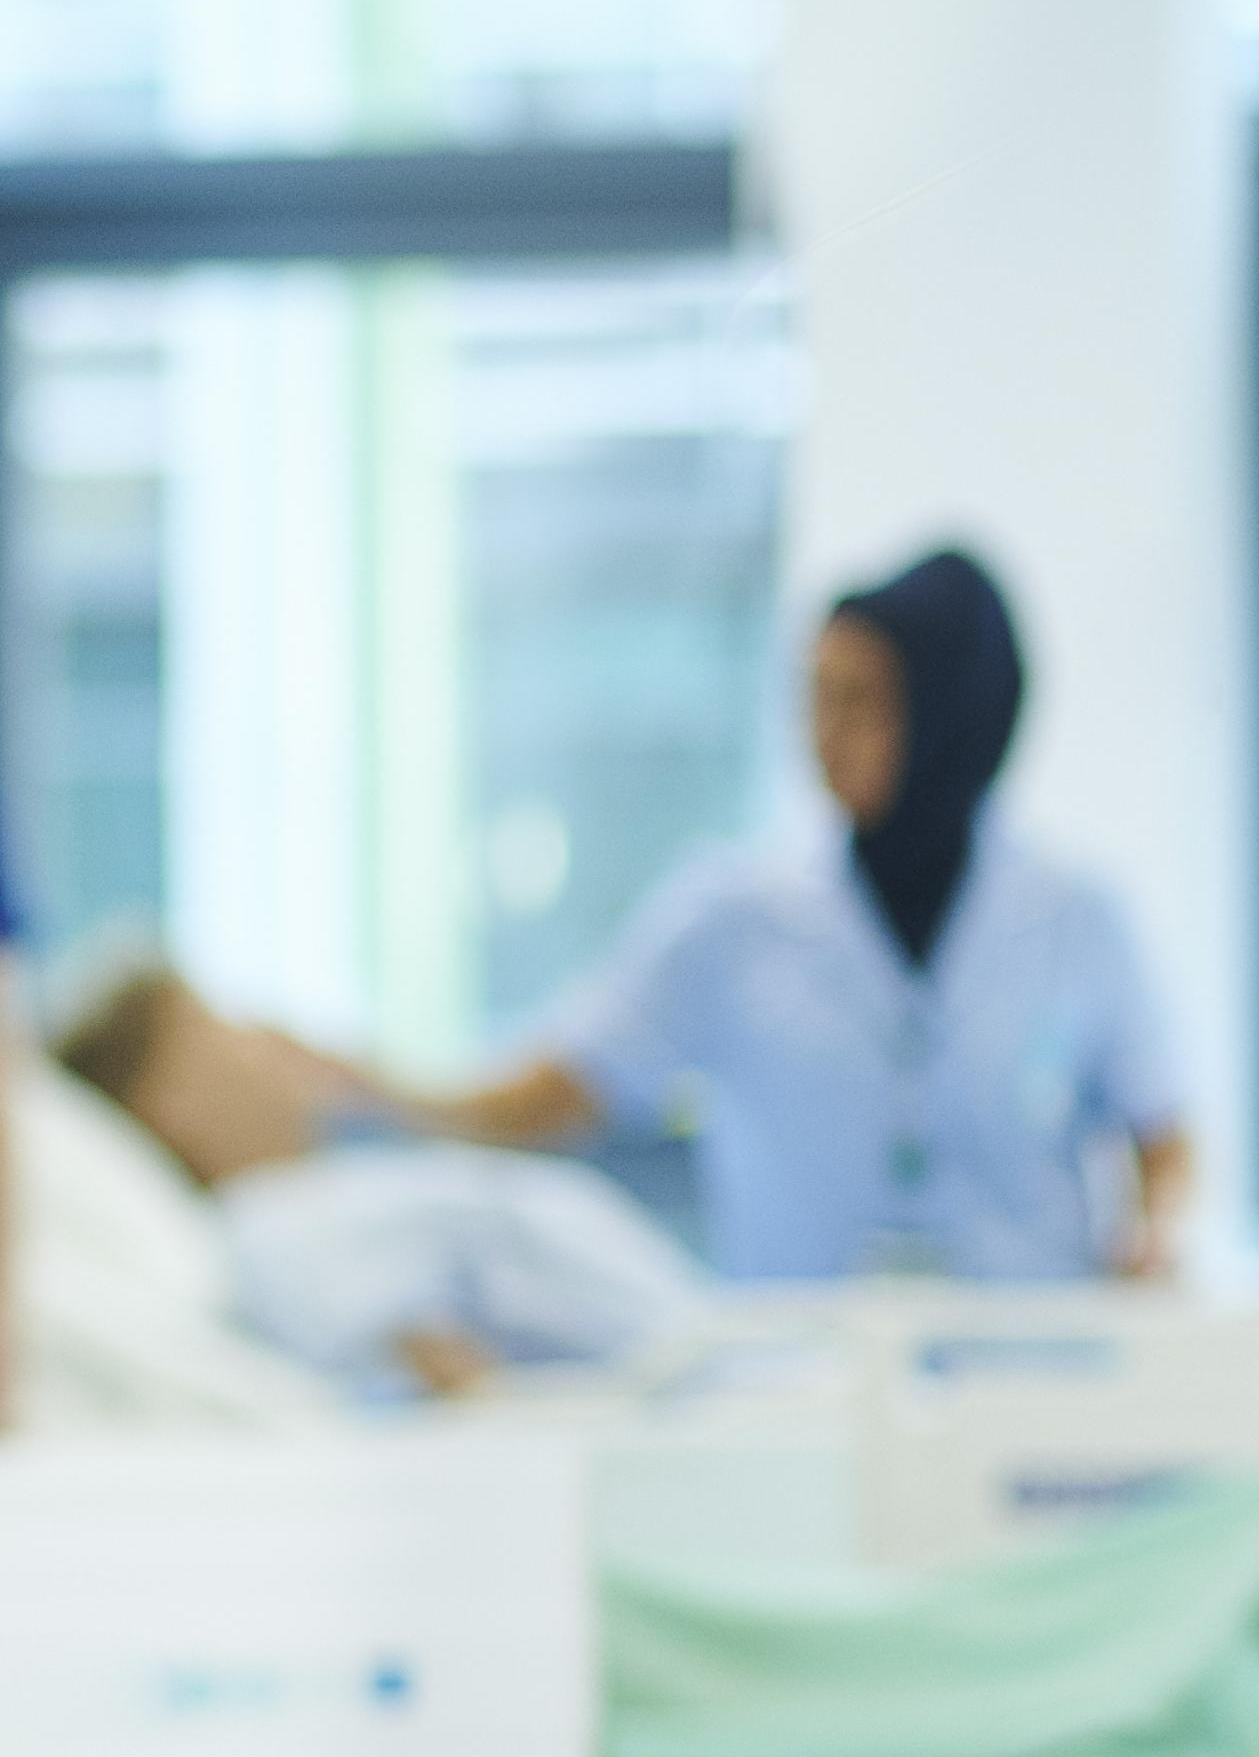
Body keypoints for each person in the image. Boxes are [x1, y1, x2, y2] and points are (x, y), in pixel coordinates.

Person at [424, 552, 1191, 1283]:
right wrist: (383, 1101)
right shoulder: (731, 919)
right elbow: (560, 1087)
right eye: (815, 696)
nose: (823, 736)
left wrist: (1156, 1239)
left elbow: (1163, 1133)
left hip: (1034, 1372)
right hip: (806, 1373)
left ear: (946, 711)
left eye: (859, 702)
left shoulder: (1078, 919)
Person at [53, 956, 707, 1392]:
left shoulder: (321, 1198)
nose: (267, 1038)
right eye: (220, 1029)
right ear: (174, 1107)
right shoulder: (279, 1232)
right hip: (694, 1411)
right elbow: (452, 1392)